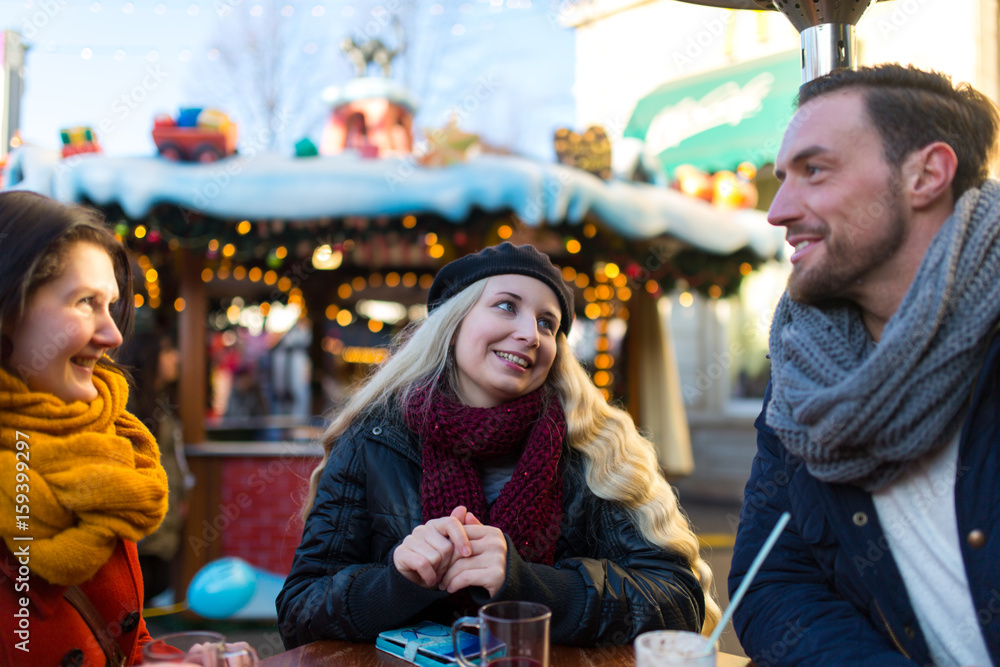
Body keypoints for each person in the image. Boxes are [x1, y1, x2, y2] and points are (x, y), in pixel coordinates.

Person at [276, 242, 721, 648]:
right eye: (507, 306)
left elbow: (678, 603)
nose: (531, 333)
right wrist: (398, 581)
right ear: (453, 324)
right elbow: (299, 614)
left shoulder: (596, 448)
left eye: (548, 323)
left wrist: (531, 586)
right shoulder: (373, 441)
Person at [729, 64, 1000, 666]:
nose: (776, 211)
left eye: (814, 171)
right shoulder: (805, 366)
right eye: (782, 177)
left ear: (926, 174)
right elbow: (772, 586)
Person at [0, 191, 169, 665]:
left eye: (110, 305)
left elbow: (123, 642)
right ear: (7, 308)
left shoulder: (111, 449)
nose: (113, 335)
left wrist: (174, 661)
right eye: (84, 302)